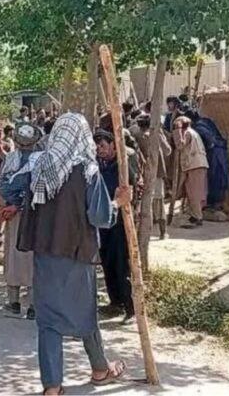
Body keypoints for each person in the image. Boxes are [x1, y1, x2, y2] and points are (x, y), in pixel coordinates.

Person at [15, 113, 129, 394]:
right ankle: (100, 369)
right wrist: (118, 202)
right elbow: (100, 217)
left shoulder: (38, 166)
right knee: (85, 312)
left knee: (48, 321)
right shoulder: (88, 171)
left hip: (45, 254)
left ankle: (52, 387)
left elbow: (9, 188)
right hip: (77, 254)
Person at [0, 123, 42, 320]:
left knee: (13, 255)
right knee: (32, 258)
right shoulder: (42, 160)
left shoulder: (10, 159)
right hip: (35, 214)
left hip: (13, 215)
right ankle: (33, 305)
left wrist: (10, 205)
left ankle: (13, 301)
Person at [93, 130, 137, 323]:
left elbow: (130, 189)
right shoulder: (98, 166)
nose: (100, 150)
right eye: (97, 147)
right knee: (107, 262)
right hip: (104, 221)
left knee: (121, 264)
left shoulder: (123, 165)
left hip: (120, 222)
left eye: (103, 145)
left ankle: (130, 307)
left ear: (113, 144)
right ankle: (115, 302)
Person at [133, 113, 172, 239]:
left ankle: (143, 232)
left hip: (141, 173)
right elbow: (168, 150)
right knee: (158, 202)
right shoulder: (156, 134)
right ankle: (163, 232)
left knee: (143, 201)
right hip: (157, 172)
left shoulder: (135, 135)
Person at [173, 116, 209, 228]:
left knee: (194, 193)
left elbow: (180, 145)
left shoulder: (188, 133)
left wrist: (177, 131)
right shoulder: (193, 132)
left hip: (194, 165)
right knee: (192, 191)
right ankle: (195, 215)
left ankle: (198, 217)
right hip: (196, 165)